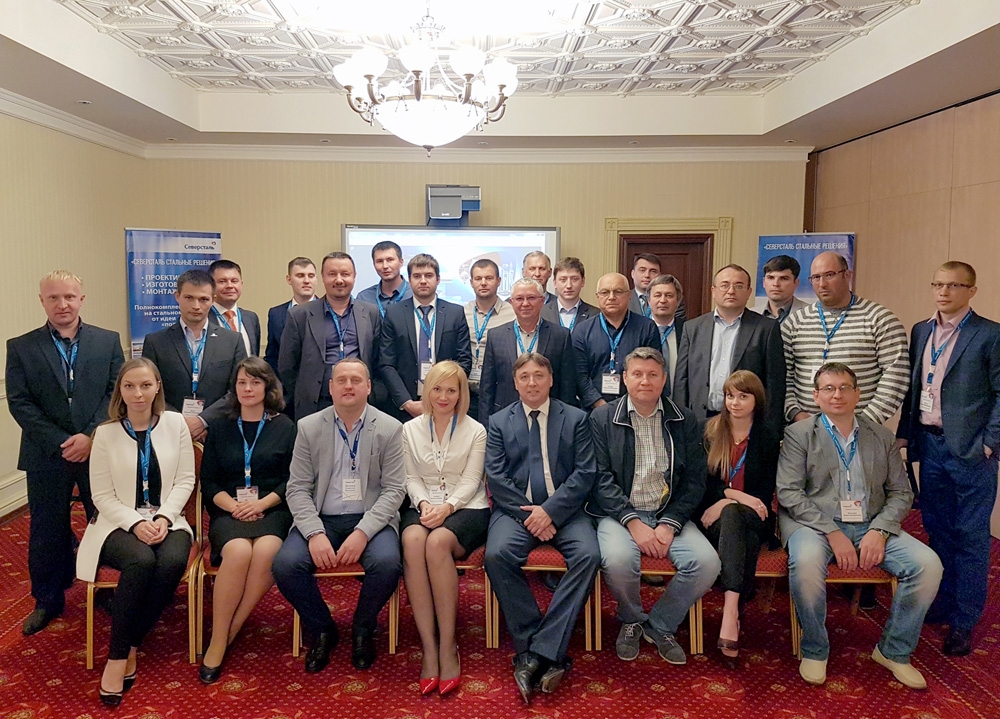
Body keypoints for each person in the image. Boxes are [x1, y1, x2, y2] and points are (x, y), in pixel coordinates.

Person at [777, 362, 942, 689]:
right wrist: (832, 532)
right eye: (828, 388)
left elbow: (901, 492)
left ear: (858, 394)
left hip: (871, 522)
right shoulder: (799, 434)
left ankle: (894, 651)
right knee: (806, 564)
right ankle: (815, 648)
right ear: (816, 396)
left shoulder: (881, 436)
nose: (836, 395)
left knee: (928, 565)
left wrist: (880, 530)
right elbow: (788, 492)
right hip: (815, 524)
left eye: (844, 388)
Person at [6, 270, 125, 635]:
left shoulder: (107, 341)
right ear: (42, 301)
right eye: (54, 298)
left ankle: (107, 589)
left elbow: (115, 393)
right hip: (46, 453)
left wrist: (89, 436)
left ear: (81, 299)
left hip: (98, 451)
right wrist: (63, 441)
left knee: (104, 522)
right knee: (47, 529)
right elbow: (20, 403)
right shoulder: (21, 346)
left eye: (69, 297)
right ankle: (47, 599)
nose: (62, 304)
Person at [588, 347, 719, 666]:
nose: (644, 381)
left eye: (652, 374)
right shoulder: (602, 418)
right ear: (624, 378)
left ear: (664, 379)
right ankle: (632, 619)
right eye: (637, 374)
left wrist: (670, 523)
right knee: (618, 560)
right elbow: (600, 479)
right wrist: (633, 522)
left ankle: (660, 623)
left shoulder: (684, 419)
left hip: (667, 514)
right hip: (619, 515)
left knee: (707, 564)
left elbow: (695, 481)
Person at [76, 358, 195, 706]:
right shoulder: (106, 433)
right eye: (129, 386)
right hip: (116, 523)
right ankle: (117, 658)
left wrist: (163, 517)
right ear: (120, 390)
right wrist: (136, 523)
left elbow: (186, 479)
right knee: (141, 561)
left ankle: (130, 642)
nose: (138, 393)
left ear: (157, 387)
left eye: (145, 385)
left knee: (171, 561)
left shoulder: (175, 424)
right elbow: (101, 495)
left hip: (169, 519)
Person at [272, 358, 405, 673]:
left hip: (371, 518)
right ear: (330, 387)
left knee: (388, 563)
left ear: (368, 387)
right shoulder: (308, 427)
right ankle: (322, 628)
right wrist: (314, 533)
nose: (348, 386)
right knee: (286, 565)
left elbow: (394, 490)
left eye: (356, 380)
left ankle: (363, 627)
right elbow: (297, 488)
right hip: (323, 518)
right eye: (341, 380)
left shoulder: (390, 428)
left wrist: (363, 532)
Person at [896, 261, 1000, 656]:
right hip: (931, 446)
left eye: (954, 285)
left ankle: (963, 620)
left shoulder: (989, 334)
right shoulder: (921, 330)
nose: (944, 292)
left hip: (972, 451)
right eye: (938, 284)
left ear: (972, 290)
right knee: (937, 529)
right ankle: (940, 601)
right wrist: (905, 435)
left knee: (970, 536)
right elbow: (915, 388)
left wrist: (989, 443)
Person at [484, 353, 599, 704]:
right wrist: (530, 516)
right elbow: (496, 478)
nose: (532, 382)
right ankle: (537, 642)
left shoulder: (576, 418)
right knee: (497, 555)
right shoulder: (499, 421)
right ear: (515, 383)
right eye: (524, 377)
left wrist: (549, 512)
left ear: (551, 380)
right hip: (516, 511)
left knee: (589, 555)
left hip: (566, 511)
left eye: (538, 376)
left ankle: (536, 653)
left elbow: (585, 473)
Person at [198, 357, 296, 683]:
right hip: (229, 509)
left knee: (267, 551)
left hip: (272, 508)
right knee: (239, 551)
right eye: (242, 382)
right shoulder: (220, 426)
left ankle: (228, 631)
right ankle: (220, 637)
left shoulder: (285, 427)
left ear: (268, 387)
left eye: (255, 382)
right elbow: (209, 481)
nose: (248, 389)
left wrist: (261, 504)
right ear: (234, 388)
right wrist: (235, 507)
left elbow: (292, 480)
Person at [400, 361, 490, 696]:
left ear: (461, 393)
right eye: (437, 389)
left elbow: (472, 480)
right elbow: (410, 477)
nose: (443, 396)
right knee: (412, 539)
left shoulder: (476, 430)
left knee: (437, 542)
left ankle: (449, 645)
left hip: (467, 507)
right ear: (427, 391)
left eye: (451, 390)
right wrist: (425, 504)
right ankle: (429, 646)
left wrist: (447, 507)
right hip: (423, 504)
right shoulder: (409, 430)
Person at [696, 370, 780, 665]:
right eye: (730, 395)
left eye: (743, 396)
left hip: (755, 516)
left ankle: (730, 609)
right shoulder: (709, 430)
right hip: (713, 517)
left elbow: (763, 494)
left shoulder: (768, 437)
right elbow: (701, 484)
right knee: (737, 524)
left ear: (757, 400)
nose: (735, 402)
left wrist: (730, 501)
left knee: (735, 516)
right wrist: (731, 496)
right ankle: (734, 610)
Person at [782, 251, 910, 425]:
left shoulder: (879, 319)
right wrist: (795, 413)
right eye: (816, 277)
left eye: (829, 275)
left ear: (847, 275)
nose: (822, 284)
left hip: (862, 429)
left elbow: (896, 376)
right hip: (805, 428)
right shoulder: (795, 322)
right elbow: (782, 376)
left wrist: (864, 423)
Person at [675, 264, 786, 432]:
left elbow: (774, 383)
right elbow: (681, 380)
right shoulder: (693, 328)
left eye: (739, 286)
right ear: (713, 291)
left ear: (749, 292)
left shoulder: (766, 329)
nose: (731, 291)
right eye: (724, 285)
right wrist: (680, 422)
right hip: (699, 421)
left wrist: (770, 429)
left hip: (747, 423)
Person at [142, 269, 247, 442]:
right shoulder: (156, 342)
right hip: (170, 431)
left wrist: (202, 421)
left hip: (220, 431)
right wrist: (182, 423)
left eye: (203, 299)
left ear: (213, 300)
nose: (196, 306)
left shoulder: (232, 340)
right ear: (177, 296)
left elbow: (238, 389)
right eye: (189, 298)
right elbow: (150, 389)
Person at [277, 252, 382, 420]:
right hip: (315, 404)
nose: (339, 280)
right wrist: (305, 392)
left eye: (345, 274)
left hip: (360, 404)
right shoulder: (299, 315)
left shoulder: (370, 313)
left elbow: (377, 360)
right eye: (332, 274)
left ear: (354, 276)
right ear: (323, 277)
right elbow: (286, 366)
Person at [379, 253, 472, 421]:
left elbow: (464, 360)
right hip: (406, 407)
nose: (423, 281)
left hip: (446, 404)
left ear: (438, 279)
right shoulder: (394, 313)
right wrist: (406, 402)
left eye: (428, 275)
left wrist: (444, 396)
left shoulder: (455, 313)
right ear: (409, 280)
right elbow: (386, 364)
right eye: (417, 276)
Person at [479, 278, 576, 424]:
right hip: (505, 418)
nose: (525, 303)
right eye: (519, 298)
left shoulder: (560, 336)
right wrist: (486, 425)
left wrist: (565, 423)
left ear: (542, 301)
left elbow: (567, 386)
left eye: (531, 298)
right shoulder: (495, 336)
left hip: (550, 417)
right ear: (511, 302)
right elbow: (487, 387)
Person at [573, 272, 661, 410]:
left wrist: (627, 407)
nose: (611, 297)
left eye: (618, 292)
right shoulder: (582, 331)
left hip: (636, 409)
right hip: (593, 412)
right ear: (597, 296)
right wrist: (600, 406)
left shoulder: (647, 327)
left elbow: (651, 371)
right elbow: (579, 376)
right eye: (605, 292)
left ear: (629, 295)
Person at [463, 258, 515, 420]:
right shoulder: (461, 313)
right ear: (471, 282)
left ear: (499, 281)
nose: (483, 283)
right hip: (466, 392)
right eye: (478, 278)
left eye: (489, 278)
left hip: (498, 391)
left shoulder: (512, 313)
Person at [264, 257, 317, 374]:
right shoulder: (276, 314)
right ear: (289, 279)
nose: (306, 280)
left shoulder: (327, 310)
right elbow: (272, 356)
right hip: (286, 382)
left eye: (311, 276)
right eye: (300, 276)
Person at [208, 259, 261, 357]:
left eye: (234, 281)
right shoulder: (203, 319)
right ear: (210, 286)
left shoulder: (251, 318)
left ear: (241, 284)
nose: (229, 286)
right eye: (222, 281)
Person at [647, 274, 684, 396]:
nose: (663, 300)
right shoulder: (638, 330)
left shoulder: (688, 330)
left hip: (679, 401)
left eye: (669, 295)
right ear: (649, 301)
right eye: (657, 295)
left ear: (678, 301)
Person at [628, 253, 688, 328]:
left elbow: (679, 326)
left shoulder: (674, 300)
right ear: (633, 273)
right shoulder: (624, 299)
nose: (647, 275)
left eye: (653, 271)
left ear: (660, 275)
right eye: (642, 270)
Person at [356, 240, 413, 316]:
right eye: (379, 261)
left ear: (401, 262)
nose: (385, 266)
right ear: (374, 264)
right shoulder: (364, 298)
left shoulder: (414, 294)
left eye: (390, 260)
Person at [541, 256, 596, 330]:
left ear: (583, 281)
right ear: (555, 283)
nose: (569, 285)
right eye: (563, 279)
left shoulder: (595, 315)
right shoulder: (541, 313)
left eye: (574, 279)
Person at [752, 254, 808, 323]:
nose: (776, 284)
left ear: (796, 283)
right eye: (771, 278)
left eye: (784, 278)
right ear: (764, 282)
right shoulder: (750, 316)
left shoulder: (812, 314)